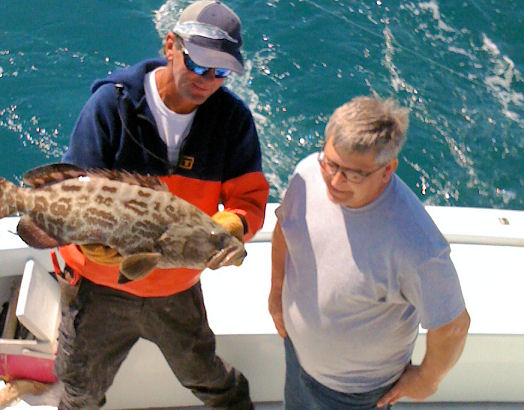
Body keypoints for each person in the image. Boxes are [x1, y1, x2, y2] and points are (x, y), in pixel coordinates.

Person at [54, 1, 269, 408]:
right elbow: (72, 194)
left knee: (207, 376)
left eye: (221, 72)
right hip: (99, 286)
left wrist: (232, 228)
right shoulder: (110, 106)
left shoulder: (233, 120)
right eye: (198, 63)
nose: (207, 80)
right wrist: (87, 244)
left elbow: (249, 200)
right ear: (171, 45)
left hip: (177, 285)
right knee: (79, 385)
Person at [268, 95, 470, 409]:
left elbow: (453, 325)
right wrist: (277, 291)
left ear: (388, 168)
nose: (334, 181)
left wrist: (427, 381)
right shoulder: (307, 173)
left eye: (353, 174)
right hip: (296, 355)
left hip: (355, 396)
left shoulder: (417, 246)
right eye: (330, 163)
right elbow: (285, 227)